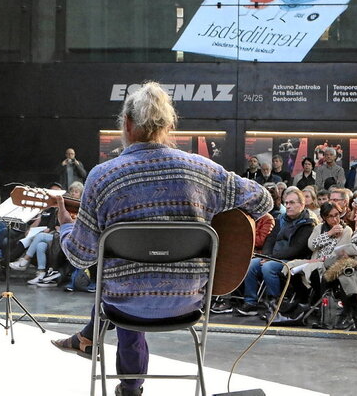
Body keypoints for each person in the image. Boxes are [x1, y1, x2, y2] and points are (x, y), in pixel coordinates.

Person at [50, 82, 272, 396]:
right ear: (169, 126)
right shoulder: (203, 170)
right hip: (189, 302)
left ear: (127, 124)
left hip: (122, 306)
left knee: (119, 283)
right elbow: (263, 200)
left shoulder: (102, 176)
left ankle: (124, 380)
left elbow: (80, 257)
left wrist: (65, 227)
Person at [237, 187, 316, 318]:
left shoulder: (307, 223)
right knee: (251, 265)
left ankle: (275, 304)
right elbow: (270, 239)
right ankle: (250, 302)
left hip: (294, 260)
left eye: (292, 203)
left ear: (302, 204)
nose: (288, 206)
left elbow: (297, 249)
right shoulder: (280, 219)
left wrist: (272, 258)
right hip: (274, 256)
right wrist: (267, 255)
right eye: (286, 203)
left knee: (268, 267)